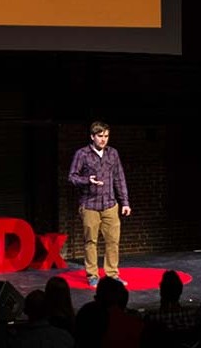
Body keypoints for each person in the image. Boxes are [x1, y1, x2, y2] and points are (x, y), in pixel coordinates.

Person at [68, 121, 131, 288]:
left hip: (110, 204)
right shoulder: (82, 154)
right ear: (92, 137)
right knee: (91, 241)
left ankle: (112, 274)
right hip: (90, 205)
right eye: (100, 136)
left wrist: (125, 202)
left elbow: (119, 178)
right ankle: (92, 275)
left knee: (113, 241)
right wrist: (87, 180)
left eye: (106, 136)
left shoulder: (113, 154)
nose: (103, 140)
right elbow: (72, 177)